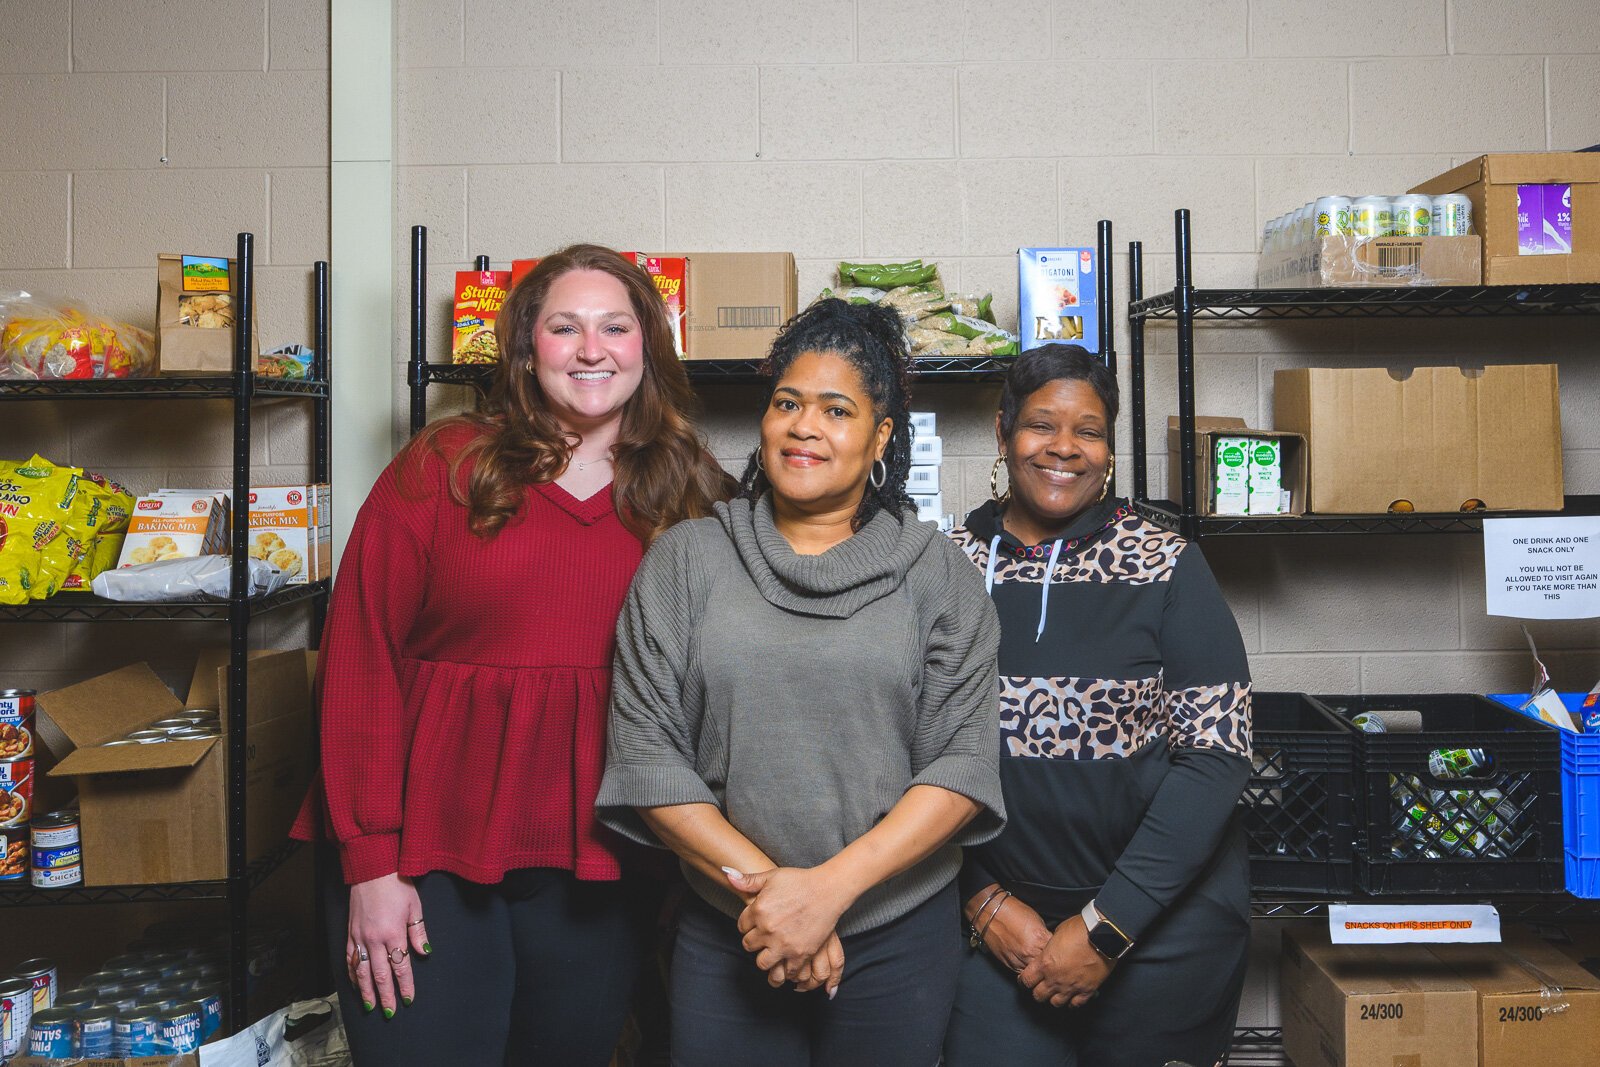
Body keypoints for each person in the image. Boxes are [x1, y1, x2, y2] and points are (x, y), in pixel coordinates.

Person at [290, 244, 732, 1065]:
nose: (592, 349)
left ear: (649, 345)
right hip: (421, 852)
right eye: (564, 327)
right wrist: (371, 864)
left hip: (601, 856)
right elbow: (360, 661)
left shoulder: (692, 490)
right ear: (527, 350)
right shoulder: (444, 466)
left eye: (616, 326)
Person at [595, 297, 1006, 1066]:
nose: (804, 425)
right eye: (787, 402)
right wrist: (779, 900)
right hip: (730, 931)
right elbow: (648, 760)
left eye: (836, 409)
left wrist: (826, 895)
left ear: (882, 435)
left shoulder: (937, 574)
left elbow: (961, 765)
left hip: (897, 939)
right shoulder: (688, 560)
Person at [941, 344, 1252, 1067]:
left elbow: (1216, 758)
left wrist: (1108, 925)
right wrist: (981, 901)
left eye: (1088, 429)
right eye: (1042, 424)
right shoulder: (944, 568)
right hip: (999, 930)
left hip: (1164, 929)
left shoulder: (1167, 562)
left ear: (1109, 449)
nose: (1064, 447)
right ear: (1001, 432)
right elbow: (903, 757)